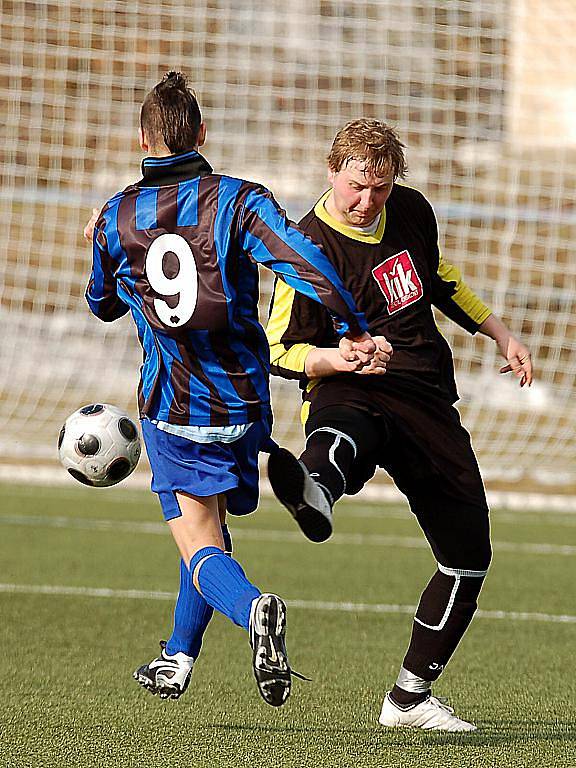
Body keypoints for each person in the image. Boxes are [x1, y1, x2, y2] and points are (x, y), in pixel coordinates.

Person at [83, 74, 380, 708]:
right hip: (245, 404)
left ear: (143, 137)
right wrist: (353, 326)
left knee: (196, 542)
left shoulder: (116, 216)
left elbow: (102, 305)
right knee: (211, 533)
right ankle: (175, 659)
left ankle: (255, 613)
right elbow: (306, 262)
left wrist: (104, 245)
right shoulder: (240, 200)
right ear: (203, 134)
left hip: (173, 408)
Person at [265, 119, 533, 730]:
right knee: (348, 433)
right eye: (358, 186)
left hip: (425, 395)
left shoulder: (411, 212)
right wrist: (342, 357)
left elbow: (441, 281)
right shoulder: (301, 248)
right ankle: (315, 490)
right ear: (332, 171)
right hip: (348, 384)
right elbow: (277, 347)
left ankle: (408, 700)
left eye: (380, 188)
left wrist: (499, 330)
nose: (367, 202)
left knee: (469, 557)